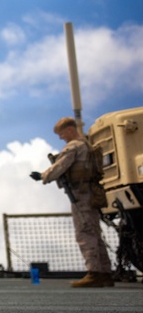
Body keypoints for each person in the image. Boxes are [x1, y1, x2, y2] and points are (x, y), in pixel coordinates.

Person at [30, 117, 114, 287]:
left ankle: (94, 273)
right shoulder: (87, 145)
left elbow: (61, 166)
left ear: (69, 130)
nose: (61, 137)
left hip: (81, 194)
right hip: (91, 193)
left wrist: (42, 176)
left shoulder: (74, 146)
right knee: (95, 233)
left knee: (85, 232)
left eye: (61, 133)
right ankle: (105, 273)